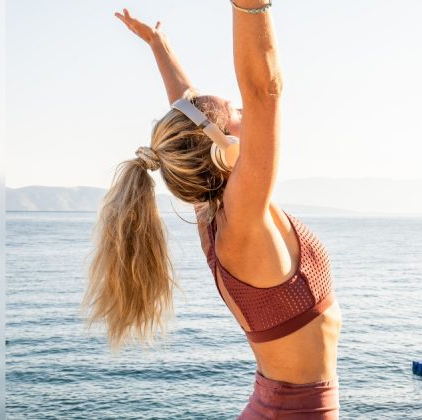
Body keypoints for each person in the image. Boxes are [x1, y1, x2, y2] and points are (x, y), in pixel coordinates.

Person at [81, 3, 342, 418]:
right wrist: (249, 6)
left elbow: (188, 118)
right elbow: (264, 91)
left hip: (275, 404)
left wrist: (158, 44)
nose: (246, 112)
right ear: (222, 146)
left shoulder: (213, 206)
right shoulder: (243, 221)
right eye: (238, 114)